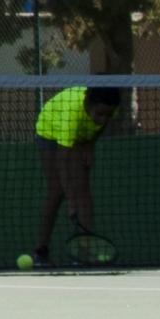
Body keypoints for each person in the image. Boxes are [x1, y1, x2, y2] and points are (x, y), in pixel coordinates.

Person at [32, 84, 123, 264]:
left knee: (83, 191)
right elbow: (62, 162)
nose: (103, 119)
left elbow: (102, 126)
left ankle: (84, 253)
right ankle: (41, 251)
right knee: (57, 190)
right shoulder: (70, 116)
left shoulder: (110, 107)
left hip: (82, 136)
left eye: (107, 115)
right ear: (89, 103)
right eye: (99, 113)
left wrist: (90, 145)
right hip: (50, 132)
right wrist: (71, 201)